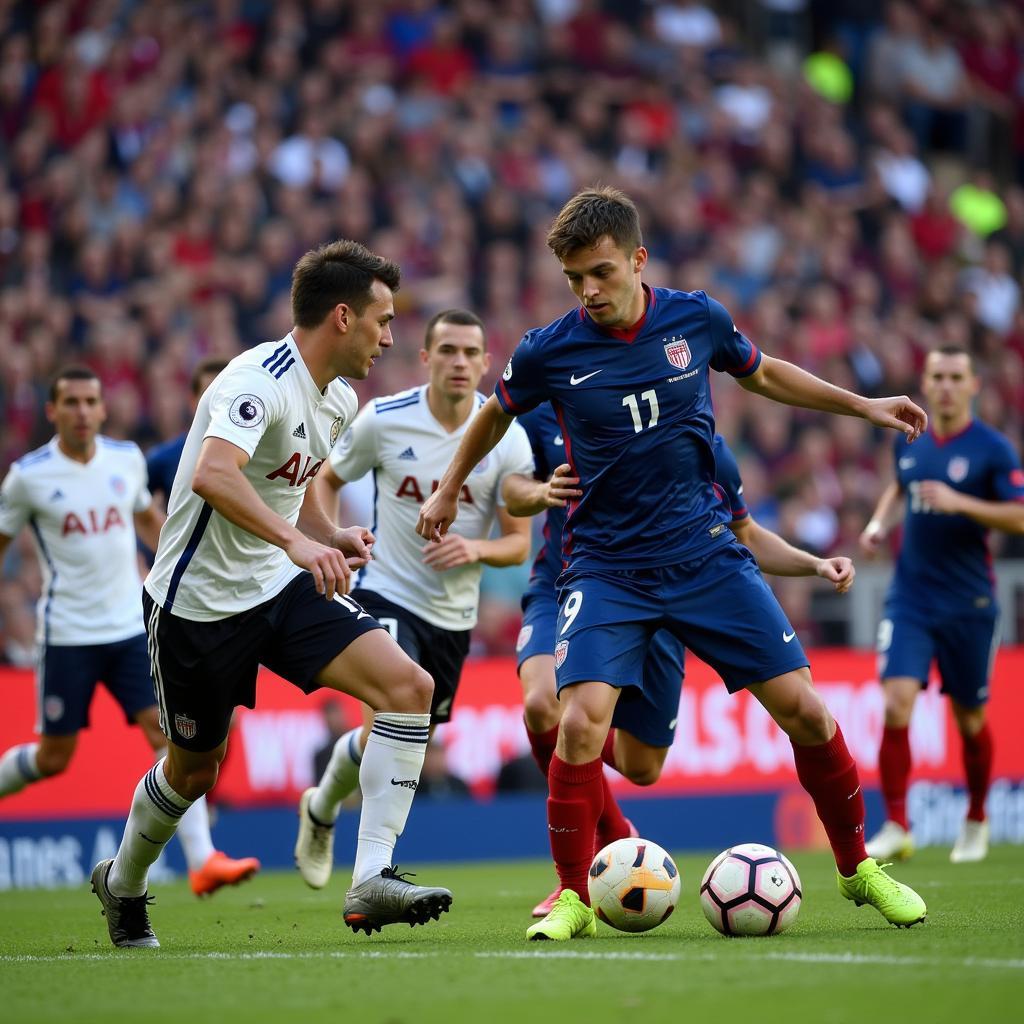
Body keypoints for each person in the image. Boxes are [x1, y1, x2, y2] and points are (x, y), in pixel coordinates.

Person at [417, 186, 929, 940]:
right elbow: (496, 413)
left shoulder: (697, 317)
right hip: (607, 568)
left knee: (809, 713)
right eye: (574, 280)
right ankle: (572, 897)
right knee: (580, 725)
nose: (588, 291)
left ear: (637, 260)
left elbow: (765, 374)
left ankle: (858, 870)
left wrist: (864, 406)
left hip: (706, 557)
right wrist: (453, 484)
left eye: (600, 273)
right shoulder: (547, 350)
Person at [90, 239, 452, 948]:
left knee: (409, 687)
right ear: (342, 317)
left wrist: (330, 531)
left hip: (279, 589)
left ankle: (372, 877)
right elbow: (214, 476)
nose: (389, 337)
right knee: (194, 770)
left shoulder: (340, 399)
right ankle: (124, 884)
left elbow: (287, 493)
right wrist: (297, 542)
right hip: (194, 609)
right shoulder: (256, 381)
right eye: (381, 320)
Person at [507, 411, 855, 917]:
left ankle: (618, 830)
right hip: (567, 585)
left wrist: (814, 564)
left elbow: (747, 533)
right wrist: (540, 493)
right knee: (546, 706)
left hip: (659, 600)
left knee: (641, 766)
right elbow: (508, 489)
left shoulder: (696, 436)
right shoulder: (556, 403)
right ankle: (591, 861)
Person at [294, 308, 533, 890]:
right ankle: (372, 872)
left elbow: (517, 545)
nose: (459, 362)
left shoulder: (507, 434)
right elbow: (323, 475)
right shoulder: (384, 419)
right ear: (425, 358)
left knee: (401, 743)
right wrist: (328, 536)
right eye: (447, 350)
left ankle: (322, 804)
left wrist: (475, 550)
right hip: (388, 591)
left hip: (453, 617)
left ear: (484, 362)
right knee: (389, 717)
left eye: (470, 353)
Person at [0, 367, 259, 897]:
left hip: (127, 628)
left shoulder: (125, 461)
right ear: (52, 411)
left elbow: (147, 520)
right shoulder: (28, 475)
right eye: (69, 402)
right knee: (54, 757)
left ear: (102, 409)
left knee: (168, 739)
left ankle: (203, 860)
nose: (80, 411)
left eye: (89, 401)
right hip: (67, 632)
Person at [860, 346, 1024, 864]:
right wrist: (878, 523)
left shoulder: (993, 450)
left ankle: (976, 818)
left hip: (969, 602)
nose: (947, 386)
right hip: (911, 597)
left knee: (970, 719)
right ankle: (897, 825)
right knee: (895, 701)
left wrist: (961, 503)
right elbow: (899, 486)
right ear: (925, 384)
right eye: (938, 377)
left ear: (974, 384)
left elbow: (1019, 518)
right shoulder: (912, 441)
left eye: (957, 376)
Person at [146, 358, 230, 508]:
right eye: (208, 396)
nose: (216, 403)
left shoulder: (258, 455)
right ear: (192, 401)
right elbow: (139, 513)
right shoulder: (162, 460)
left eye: (224, 395)